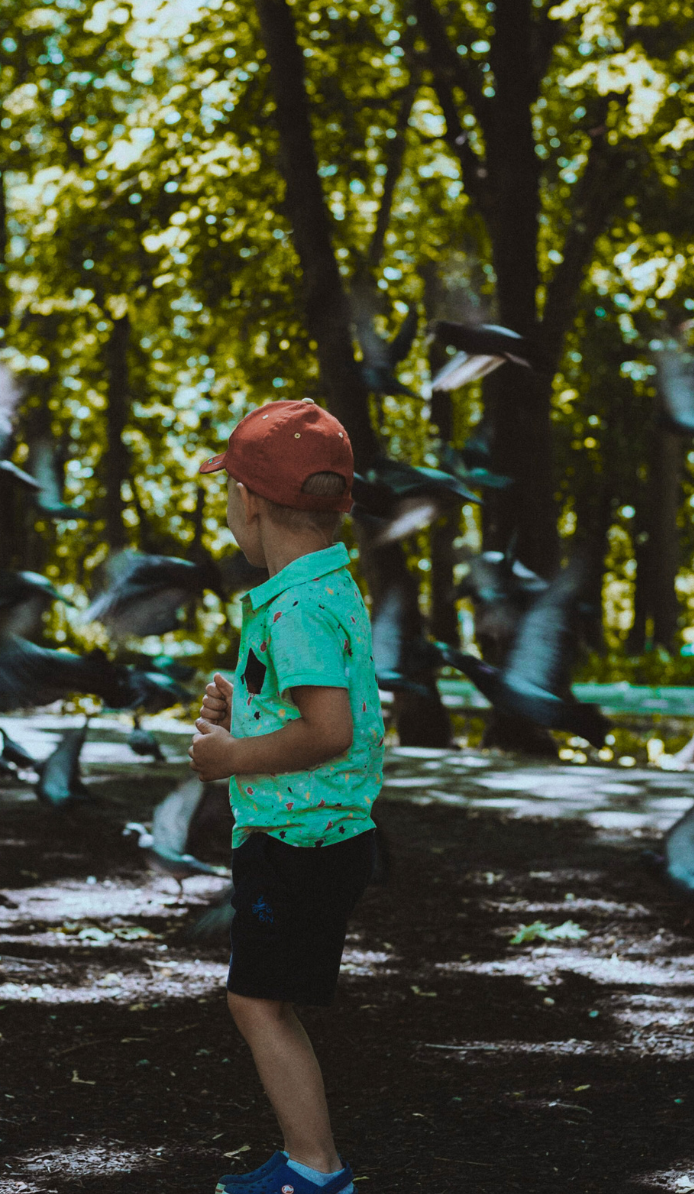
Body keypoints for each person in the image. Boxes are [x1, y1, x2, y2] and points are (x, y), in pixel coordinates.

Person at [189, 399, 385, 1194]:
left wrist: (231, 754)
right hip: (312, 830)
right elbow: (308, 707)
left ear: (250, 502)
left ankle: (315, 1168)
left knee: (256, 1002)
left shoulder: (297, 605)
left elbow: (328, 729)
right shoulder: (321, 588)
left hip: (299, 838)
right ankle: (308, 1158)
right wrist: (243, 707)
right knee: (263, 999)